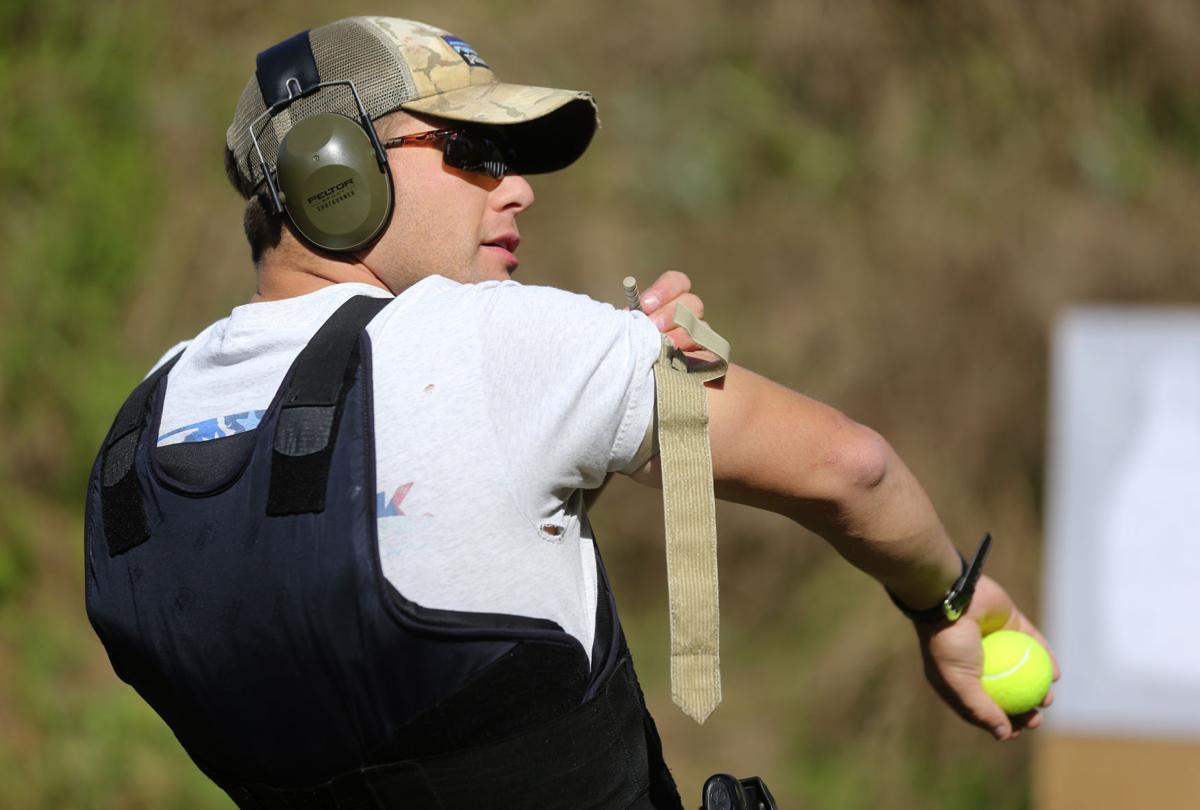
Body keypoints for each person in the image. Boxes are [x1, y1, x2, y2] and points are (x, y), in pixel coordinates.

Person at [84, 15, 1059, 810]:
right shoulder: (496, 346)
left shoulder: (130, 456)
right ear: (329, 171)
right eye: (471, 150)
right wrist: (948, 601)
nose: (520, 188)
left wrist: (603, 388)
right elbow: (853, 468)